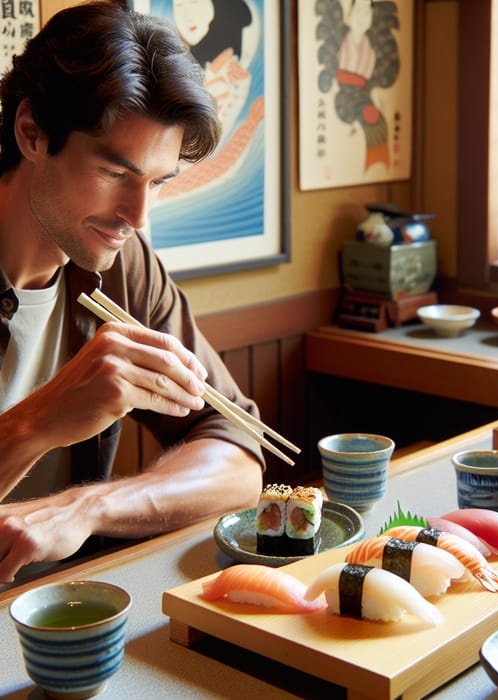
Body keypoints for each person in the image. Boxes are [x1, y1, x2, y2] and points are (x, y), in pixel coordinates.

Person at [0, 1, 265, 585]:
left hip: (65, 610)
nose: (137, 216)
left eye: (156, 182)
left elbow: (237, 450)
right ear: (31, 133)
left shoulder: (122, 267)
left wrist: (87, 505)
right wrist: (37, 422)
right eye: (117, 174)